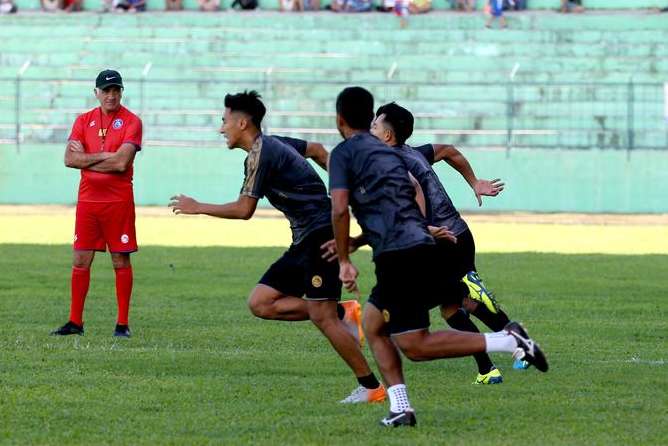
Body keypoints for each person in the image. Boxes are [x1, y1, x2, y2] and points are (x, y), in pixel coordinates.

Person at [327, 86, 548, 427]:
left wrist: (344, 258)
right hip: (416, 247)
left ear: (339, 119)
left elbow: (339, 209)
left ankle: (507, 340)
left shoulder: (346, 153)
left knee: (415, 345)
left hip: (402, 254)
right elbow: (412, 188)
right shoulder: (391, 152)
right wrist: (395, 233)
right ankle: (401, 408)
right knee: (374, 325)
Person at [170, 91, 388, 405]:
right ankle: (344, 312)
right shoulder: (272, 143)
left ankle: (372, 387)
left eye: (224, 121)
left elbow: (245, 209)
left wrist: (198, 206)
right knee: (261, 302)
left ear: (242, 122)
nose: (221, 129)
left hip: (320, 234)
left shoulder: (262, 152)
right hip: (304, 238)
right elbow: (314, 149)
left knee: (321, 316)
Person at [369, 103, 532, 381]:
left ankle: (503, 346)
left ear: (387, 136)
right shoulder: (412, 152)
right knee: (452, 306)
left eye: (374, 125)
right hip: (457, 236)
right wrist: (474, 182)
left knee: (446, 302)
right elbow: (447, 151)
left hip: (442, 240)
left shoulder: (393, 163)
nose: (369, 128)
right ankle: (499, 360)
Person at [50, 70, 142, 339]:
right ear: (96, 93)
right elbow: (69, 159)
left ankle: (122, 323)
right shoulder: (83, 121)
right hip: (88, 201)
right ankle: (75, 322)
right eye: (106, 90)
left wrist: (88, 157)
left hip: (118, 201)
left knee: (119, 259)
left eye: (116, 90)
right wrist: (106, 157)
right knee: (80, 259)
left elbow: (122, 162)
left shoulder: (132, 122)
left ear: (122, 92)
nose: (111, 95)